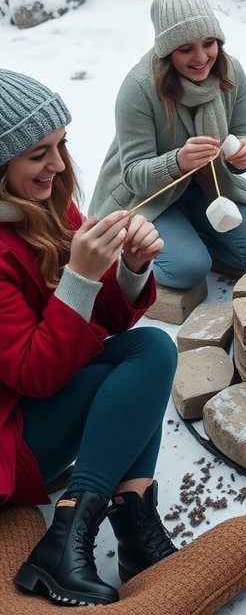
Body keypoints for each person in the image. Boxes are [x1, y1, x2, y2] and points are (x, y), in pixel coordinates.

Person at [0, 69, 178, 606]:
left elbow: (101, 323)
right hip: (10, 440)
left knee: (151, 350)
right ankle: (68, 538)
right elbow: (34, 374)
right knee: (142, 366)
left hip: (37, 403)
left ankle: (130, 526)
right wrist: (77, 278)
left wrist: (130, 267)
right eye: (38, 153)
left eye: (61, 145)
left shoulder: (46, 206)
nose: (57, 165)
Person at [90, 0, 246, 290]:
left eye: (209, 43)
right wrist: (178, 161)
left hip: (210, 188)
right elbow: (133, 173)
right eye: (185, 48)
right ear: (166, 51)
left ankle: (192, 236)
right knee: (187, 271)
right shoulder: (138, 88)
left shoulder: (230, 72)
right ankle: (142, 254)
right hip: (149, 196)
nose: (202, 57)